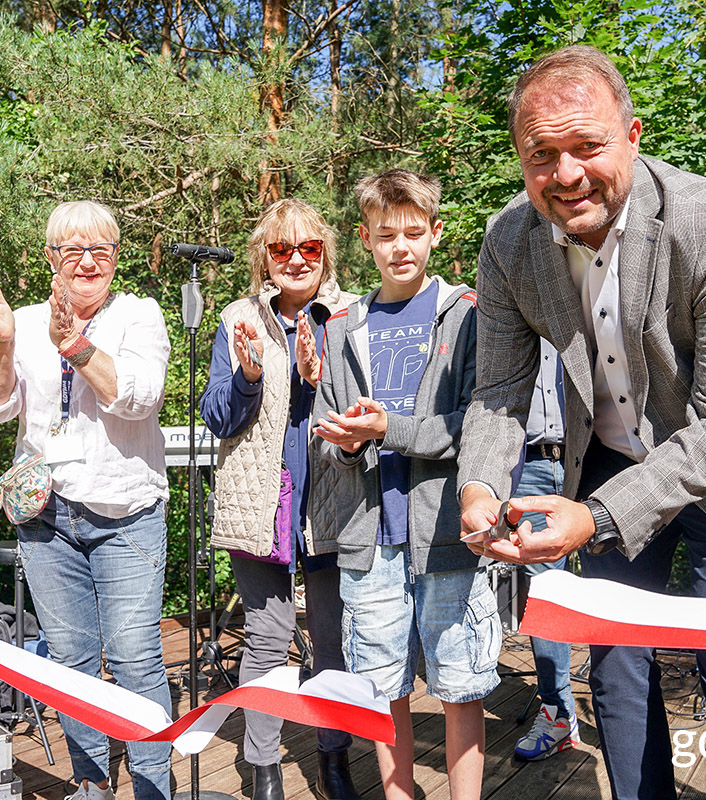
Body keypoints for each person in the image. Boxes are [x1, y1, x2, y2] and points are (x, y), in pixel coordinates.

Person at [457, 46, 706, 800]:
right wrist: (475, 489)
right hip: (614, 455)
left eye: (587, 146)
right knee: (618, 662)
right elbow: (498, 390)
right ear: (520, 160)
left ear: (632, 136)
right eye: (542, 154)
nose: (565, 175)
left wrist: (591, 520)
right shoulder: (506, 242)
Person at [0, 201, 173, 800]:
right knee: (70, 662)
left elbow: (139, 398)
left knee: (135, 659)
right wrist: (2, 344)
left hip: (125, 514)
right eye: (72, 250)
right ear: (51, 258)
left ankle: (154, 788)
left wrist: (76, 345)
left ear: (116, 259)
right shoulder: (23, 321)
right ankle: (92, 783)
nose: (87, 262)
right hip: (46, 519)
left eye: (100, 251)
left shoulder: (140, 315)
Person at [311, 169, 499, 800]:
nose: (401, 247)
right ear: (364, 239)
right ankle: (398, 792)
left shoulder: (467, 315)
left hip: (448, 530)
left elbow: (479, 424)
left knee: (459, 681)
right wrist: (342, 443)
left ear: (436, 234)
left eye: (414, 232)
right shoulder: (343, 325)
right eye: (386, 234)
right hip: (371, 534)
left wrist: (390, 427)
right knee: (380, 680)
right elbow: (325, 425)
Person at [200, 198, 361, 800]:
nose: (296, 260)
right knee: (266, 638)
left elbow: (365, 412)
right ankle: (262, 765)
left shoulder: (348, 315)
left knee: (331, 638)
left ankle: (334, 760)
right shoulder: (237, 317)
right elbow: (218, 417)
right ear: (263, 259)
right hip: (263, 502)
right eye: (281, 249)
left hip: (331, 499)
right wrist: (247, 376)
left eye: (309, 248)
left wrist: (320, 382)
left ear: (325, 255)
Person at [508, 337, 578, 762]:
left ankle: (624, 712)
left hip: (593, 458)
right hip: (531, 463)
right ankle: (557, 712)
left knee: (613, 585)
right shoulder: (506, 302)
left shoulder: (589, 296)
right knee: (545, 597)